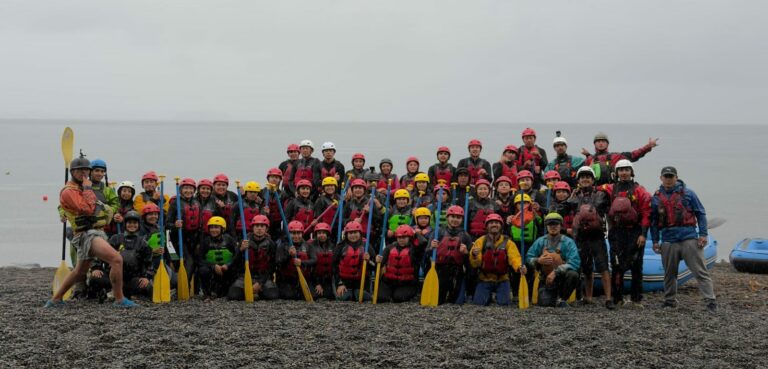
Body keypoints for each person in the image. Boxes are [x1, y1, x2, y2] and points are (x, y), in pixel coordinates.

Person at [47, 154, 136, 308]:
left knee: (80, 272)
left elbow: (101, 204)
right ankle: (119, 299)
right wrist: (88, 188)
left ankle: (55, 300)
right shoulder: (69, 191)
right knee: (116, 260)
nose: (84, 174)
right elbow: (87, 209)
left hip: (93, 232)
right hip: (87, 234)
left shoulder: (81, 187)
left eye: (86, 171)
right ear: (73, 172)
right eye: (80, 171)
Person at [651, 166, 716, 312]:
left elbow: (700, 213)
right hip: (668, 239)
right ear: (661, 178)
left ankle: (710, 301)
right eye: (666, 176)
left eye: (671, 176)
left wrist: (703, 234)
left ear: (676, 177)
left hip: (688, 237)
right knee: (669, 273)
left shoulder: (689, 194)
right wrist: (655, 241)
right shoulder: (656, 198)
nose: (668, 179)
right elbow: (654, 222)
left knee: (700, 271)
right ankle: (669, 300)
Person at [600, 160, 651, 307]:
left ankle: (636, 299)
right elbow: (594, 188)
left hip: (634, 231)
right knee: (616, 265)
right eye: (621, 170)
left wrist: (643, 234)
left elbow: (646, 213)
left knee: (636, 264)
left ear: (631, 172)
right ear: (616, 173)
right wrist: (578, 189)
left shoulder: (639, 190)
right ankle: (618, 298)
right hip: (616, 232)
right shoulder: (610, 188)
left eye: (626, 170)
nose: (623, 173)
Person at [567, 166, 614, 309]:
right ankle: (588, 297)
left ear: (593, 180)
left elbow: (604, 210)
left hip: (597, 236)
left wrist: (611, 231)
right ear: (579, 181)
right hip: (581, 237)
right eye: (582, 177)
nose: (585, 179)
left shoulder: (601, 195)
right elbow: (564, 208)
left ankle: (608, 298)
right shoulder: (574, 197)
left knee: (603, 267)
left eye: (588, 177)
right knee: (586, 268)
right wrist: (571, 197)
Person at [89, 210, 154, 300]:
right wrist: (96, 268)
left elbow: (149, 263)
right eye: (129, 222)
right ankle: (104, 292)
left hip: (132, 279)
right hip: (113, 277)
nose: (132, 225)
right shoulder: (115, 239)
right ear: (125, 224)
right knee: (94, 278)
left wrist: (146, 277)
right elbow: (101, 254)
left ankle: (124, 294)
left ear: (139, 225)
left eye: (135, 223)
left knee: (148, 288)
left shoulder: (143, 243)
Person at [526, 213, 581, 307]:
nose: (553, 227)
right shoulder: (540, 241)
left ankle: (562, 299)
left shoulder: (569, 242)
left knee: (573, 274)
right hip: (546, 278)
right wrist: (537, 260)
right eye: (550, 224)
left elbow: (575, 262)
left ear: (560, 226)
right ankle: (548, 294)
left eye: (556, 224)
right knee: (545, 304)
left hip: (563, 278)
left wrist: (556, 272)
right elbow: (528, 258)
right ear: (546, 226)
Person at [469, 213, 523, 306]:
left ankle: (498, 295)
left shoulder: (508, 242)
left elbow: (514, 257)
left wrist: (519, 266)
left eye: (497, 223)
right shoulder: (480, 241)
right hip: (484, 279)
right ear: (487, 226)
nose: (494, 224)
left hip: (502, 279)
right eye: (491, 223)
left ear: (501, 226)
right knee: (478, 304)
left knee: (504, 304)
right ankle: (488, 296)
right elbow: (475, 264)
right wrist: (474, 255)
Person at [428, 205, 473, 304]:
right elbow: (427, 253)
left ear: (462, 219)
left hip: (457, 270)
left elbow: (471, 260)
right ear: (447, 217)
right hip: (440, 269)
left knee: (456, 301)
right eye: (452, 217)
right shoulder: (438, 232)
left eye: (458, 217)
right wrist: (432, 247)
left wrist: (466, 253)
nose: (455, 220)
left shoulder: (465, 236)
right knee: (439, 300)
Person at [227, 215, 278, 301]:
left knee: (272, 295)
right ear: (252, 227)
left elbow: (272, 267)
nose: (259, 229)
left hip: (263, 276)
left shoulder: (271, 244)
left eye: (262, 226)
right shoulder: (244, 241)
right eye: (256, 226)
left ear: (266, 229)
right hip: (245, 276)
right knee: (233, 295)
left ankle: (257, 291)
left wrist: (260, 283)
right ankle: (252, 291)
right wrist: (240, 250)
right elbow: (234, 261)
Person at [581, 132, 659, 185]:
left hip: (612, 188)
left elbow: (634, 155)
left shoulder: (616, 156)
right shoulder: (590, 159)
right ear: (594, 144)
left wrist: (648, 146)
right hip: (595, 190)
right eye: (598, 141)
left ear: (607, 144)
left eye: (603, 141)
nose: (601, 143)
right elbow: (582, 177)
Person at [376, 225, 426, 303]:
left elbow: (423, 242)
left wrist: (415, 233)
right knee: (381, 298)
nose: (401, 240)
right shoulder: (389, 248)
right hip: (389, 282)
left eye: (404, 237)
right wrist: (377, 260)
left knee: (398, 298)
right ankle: (390, 293)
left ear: (409, 237)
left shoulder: (415, 250)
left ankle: (411, 292)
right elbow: (379, 264)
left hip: (407, 283)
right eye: (399, 237)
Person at [196, 216, 238, 301]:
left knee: (227, 293)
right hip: (212, 270)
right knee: (202, 270)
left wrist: (227, 265)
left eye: (216, 227)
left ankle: (224, 290)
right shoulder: (205, 241)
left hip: (226, 270)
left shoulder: (229, 240)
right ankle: (207, 293)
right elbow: (199, 260)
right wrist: (213, 266)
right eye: (211, 227)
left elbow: (236, 256)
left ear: (222, 229)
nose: (213, 230)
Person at [333, 221, 376, 301]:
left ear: (360, 233)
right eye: (350, 233)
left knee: (363, 297)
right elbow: (334, 267)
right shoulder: (340, 246)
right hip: (344, 281)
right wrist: (340, 283)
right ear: (346, 234)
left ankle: (359, 292)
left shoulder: (367, 246)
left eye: (355, 232)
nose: (353, 235)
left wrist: (369, 260)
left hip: (361, 281)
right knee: (345, 298)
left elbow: (375, 266)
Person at [275, 221, 316, 300]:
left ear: (302, 234)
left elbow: (314, 260)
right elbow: (278, 262)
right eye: (293, 233)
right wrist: (289, 255)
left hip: (304, 278)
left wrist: (302, 262)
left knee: (314, 296)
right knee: (288, 296)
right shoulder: (283, 246)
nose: (296, 236)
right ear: (289, 234)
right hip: (287, 280)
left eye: (298, 233)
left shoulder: (308, 246)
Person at [167, 178, 202, 273]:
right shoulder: (175, 203)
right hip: (180, 239)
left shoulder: (197, 203)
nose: (188, 191)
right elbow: (167, 224)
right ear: (181, 190)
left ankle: (196, 287)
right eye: (185, 188)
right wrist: (175, 225)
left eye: (191, 188)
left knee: (197, 264)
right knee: (188, 263)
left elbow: (200, 224)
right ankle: (184, 285)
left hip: (194, 239)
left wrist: (199, 241)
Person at [88, 159, 119, 237]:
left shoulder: (107, 190)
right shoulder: (82, 187)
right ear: (90, 172)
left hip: (101, 228)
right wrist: (63, 214)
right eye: (97, 170)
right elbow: (65, 204)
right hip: (84, 228)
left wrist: (109, 211)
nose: (100, 174)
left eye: (102, 171)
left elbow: (116, 204)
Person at [310, 222, 336, 300]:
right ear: (316, 235)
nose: (322, 235)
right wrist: (317, 283)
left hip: (328, 279)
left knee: (329, 296)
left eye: (324, 233)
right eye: (319, 233)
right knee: (315, 296)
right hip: (314, 278)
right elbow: (311, 268)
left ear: (327, 235)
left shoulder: (332, 246)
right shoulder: (311, 246)